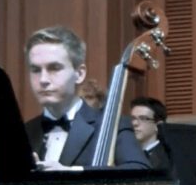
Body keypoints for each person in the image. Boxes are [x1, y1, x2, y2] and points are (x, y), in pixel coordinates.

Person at [23, 25, 150, 170]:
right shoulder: (22, 133)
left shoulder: (113, 125)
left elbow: (139, 169)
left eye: (54, 68)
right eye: (35, 70)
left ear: (79, 74)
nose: (43, 79)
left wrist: (74, 173)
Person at [130, 96, 171, 169]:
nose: (135, 123)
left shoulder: (169, 157)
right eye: (133, 118)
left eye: (143, 118)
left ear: (158, 125)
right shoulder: (124, 154)